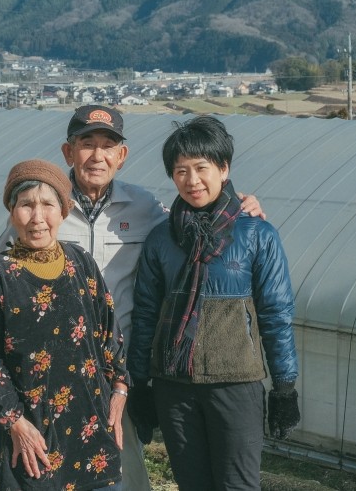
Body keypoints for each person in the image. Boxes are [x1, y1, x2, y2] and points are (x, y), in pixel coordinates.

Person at [0, 105, 264, 490]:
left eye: (108, 146)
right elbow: (2, 278)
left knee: (123, 471)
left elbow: (198, 218)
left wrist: (240, 204)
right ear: (68, 152)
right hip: (53, 370)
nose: (97, 155)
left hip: (119, 370)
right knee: (52, 469)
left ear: (122, 156)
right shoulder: (42, 207)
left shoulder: (145, 208)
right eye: (86, 144)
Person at [128, 116, 300, 491]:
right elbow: (145, 315)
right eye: (181, 171)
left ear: (224, 169)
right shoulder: (161, 238)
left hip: (236, 384)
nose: (192, 181)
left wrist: (285, 387)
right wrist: (140, 383)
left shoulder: (257, 234)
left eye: (202, 168)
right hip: (174, 386)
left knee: (237, 485)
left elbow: (276, 313)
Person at [0, 159, 129, 490]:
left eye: (47, 205)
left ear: (63, 210)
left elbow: (108, 332)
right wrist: (15, 424)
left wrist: (120, 389)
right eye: (26, 205)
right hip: (32, 432)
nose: (37, 218)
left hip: (91, 422)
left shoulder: (80, 262)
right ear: (12, 212)